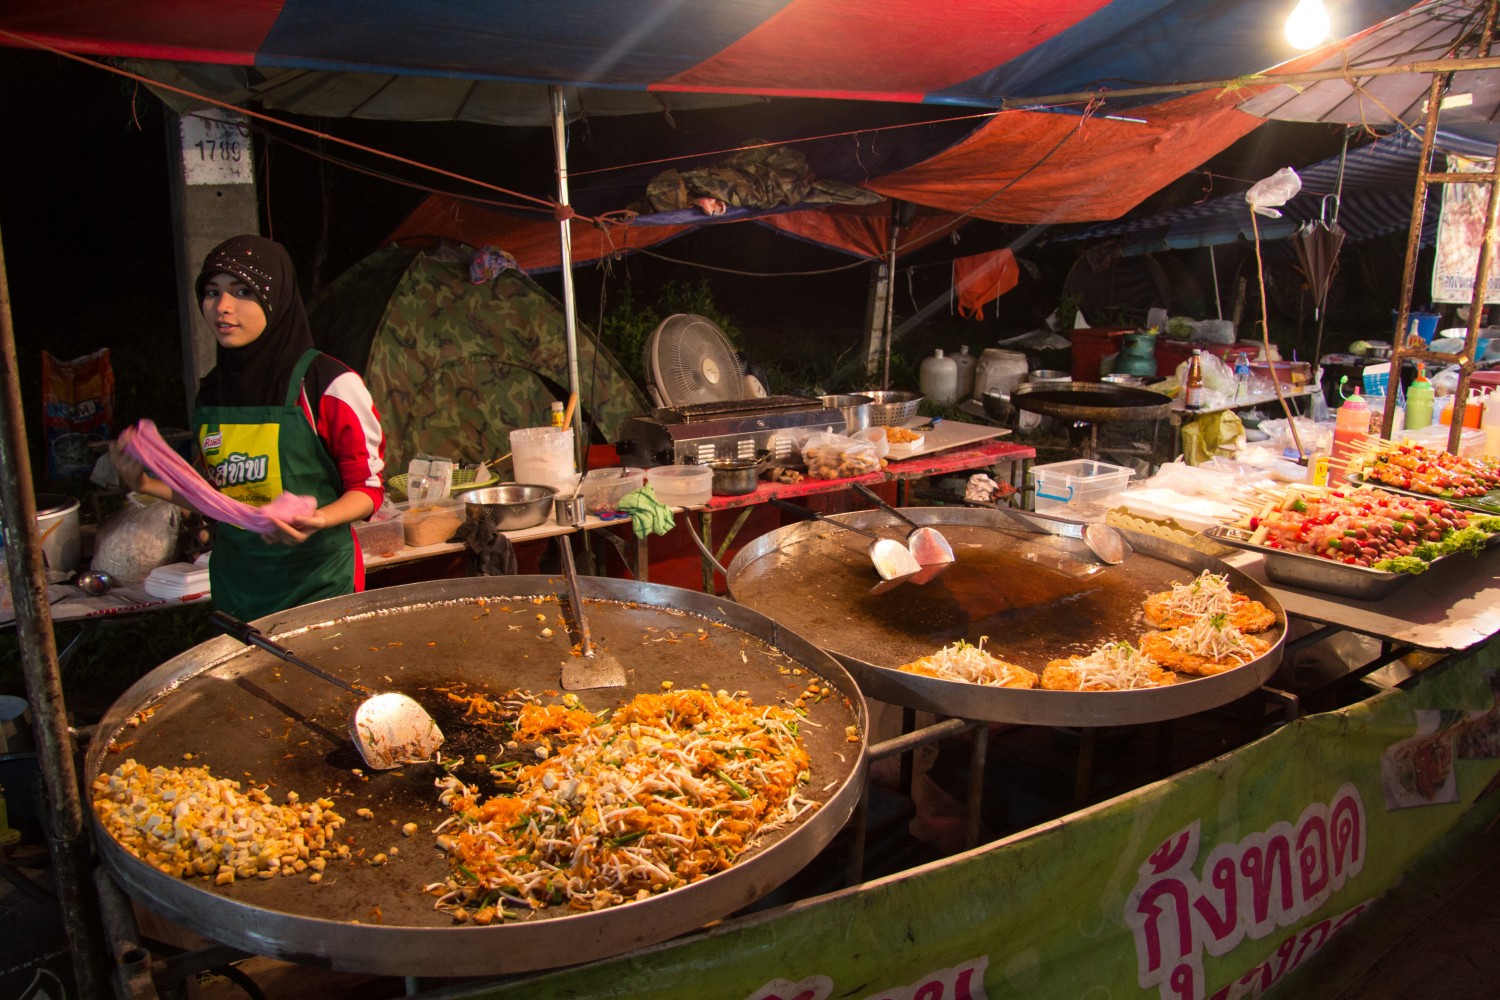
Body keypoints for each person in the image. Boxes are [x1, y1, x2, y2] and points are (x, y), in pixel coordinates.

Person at [110, 235, 385, 621]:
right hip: (238, 586)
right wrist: (144, 483)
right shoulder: (213, 392)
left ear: (276, 299)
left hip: (319, 583)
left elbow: (367, 489)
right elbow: (215, 499)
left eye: (243, 291)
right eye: (211, 292)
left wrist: (319, 519)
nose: (222, 307)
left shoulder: (328, 384)